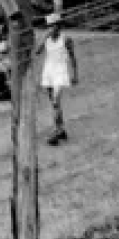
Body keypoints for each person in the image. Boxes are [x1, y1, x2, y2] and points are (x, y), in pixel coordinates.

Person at [38, 15, 77, 146]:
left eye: (53, 25)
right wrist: (44, 37)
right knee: (55, 104)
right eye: (49, 25)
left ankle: (56, 131)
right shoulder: (47, 39)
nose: (51, 28)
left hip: (60, 73)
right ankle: (61, 129)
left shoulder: (66, 39)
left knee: (55, 101)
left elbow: (72, 57)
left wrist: (75, 74)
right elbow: (37, 51)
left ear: (59, 26)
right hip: (48, 72)